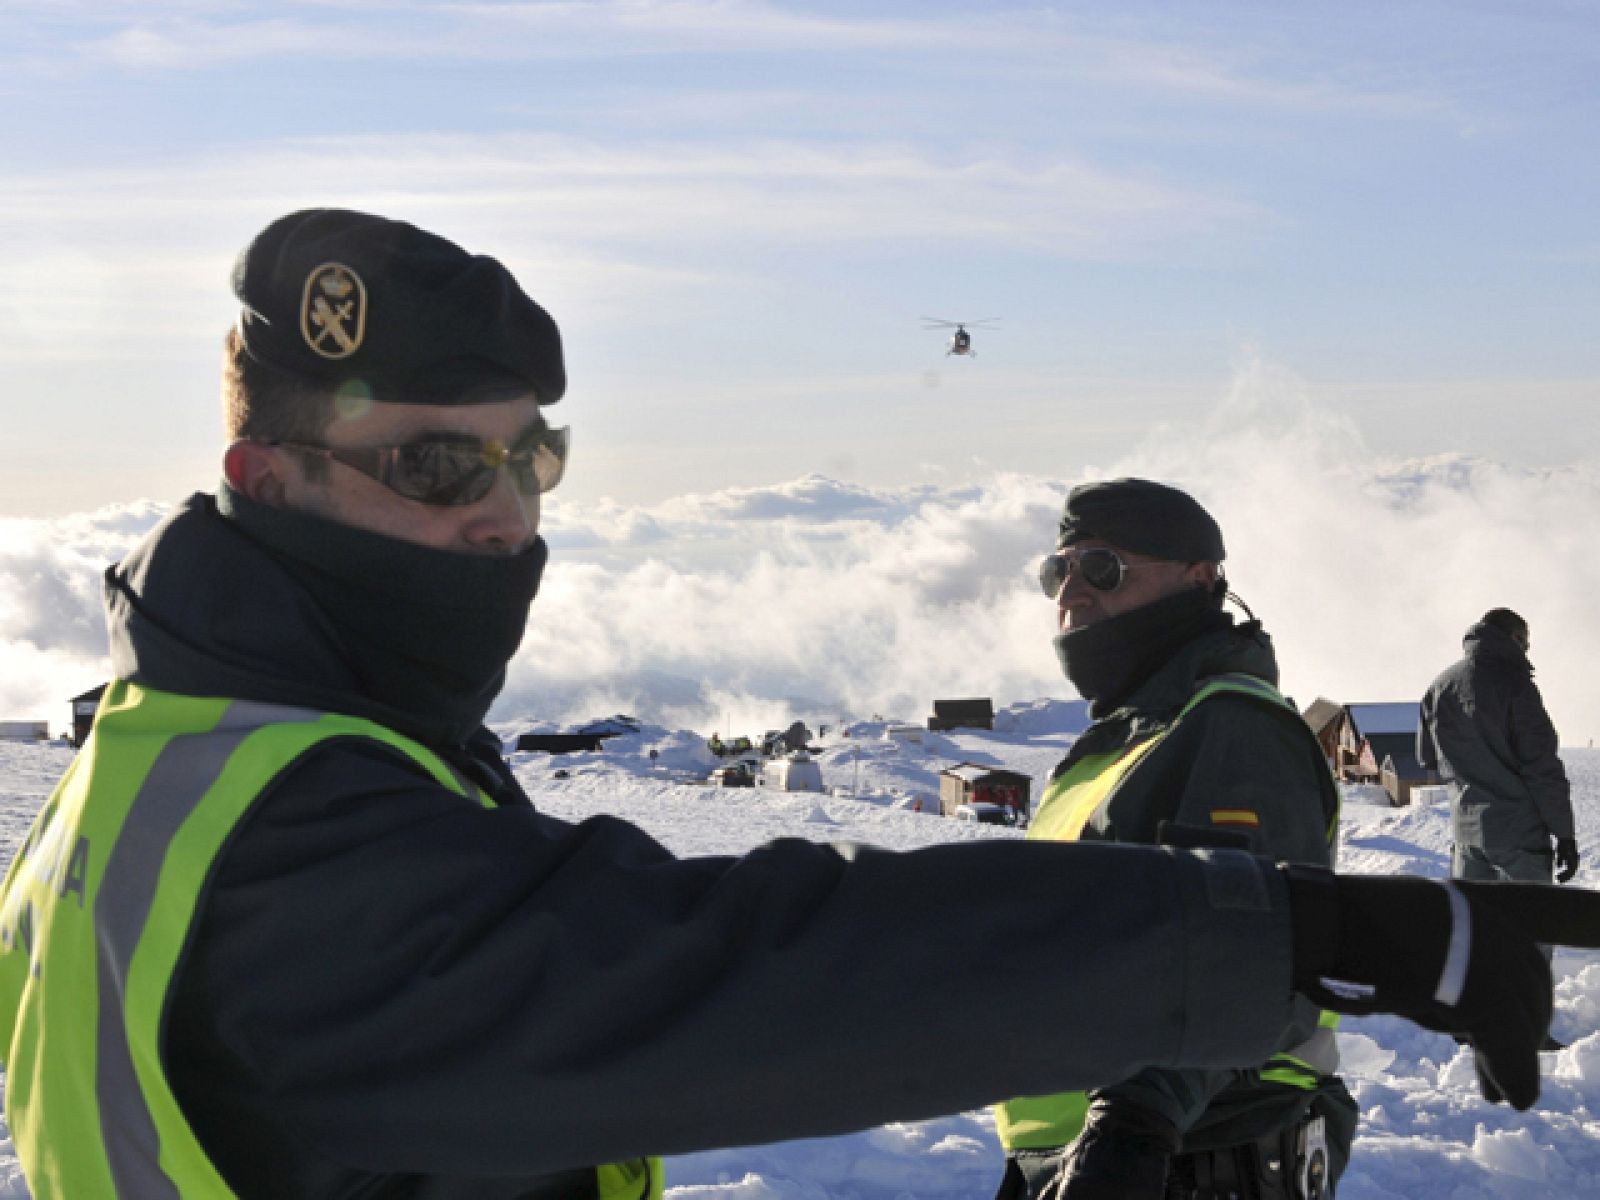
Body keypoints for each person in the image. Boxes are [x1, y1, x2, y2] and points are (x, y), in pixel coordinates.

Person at [0, 209, 1593, 1200]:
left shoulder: (159, 775)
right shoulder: (290, 831)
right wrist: (1287, 937)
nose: (503, 513)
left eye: (528, 457)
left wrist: (1157, 1095)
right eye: (434, 461)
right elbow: (732, 974)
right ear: (260, 475)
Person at [994, 480, 1356, 1200]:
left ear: (1200, 578)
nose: (1071, 590)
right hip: (1096, 1147)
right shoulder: (1134, 735)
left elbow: (1242, 955)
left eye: (1102, 567)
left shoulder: (1232, 729)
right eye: (1055, 570)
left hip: (1193, 1153)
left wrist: (1133, 1128)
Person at [1419, 607, 1579, 1019]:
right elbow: (1541, 766)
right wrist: (1565, 834)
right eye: (1525, 641)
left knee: (1472, 928)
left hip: (1466, 831)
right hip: (1517, 832)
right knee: (1536, 925)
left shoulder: (1440, 685)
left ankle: (1468, 1015)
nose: (1527, 650)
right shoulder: (1515, 685)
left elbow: (1427, 760)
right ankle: (1526, 1024)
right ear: (1512, 638)